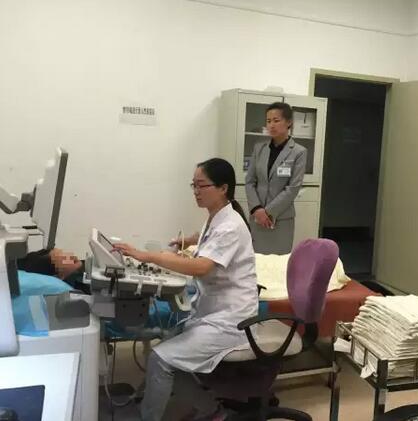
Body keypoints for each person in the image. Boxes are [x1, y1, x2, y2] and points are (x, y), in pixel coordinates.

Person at [114, 158, 257, 421]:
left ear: (223, 188)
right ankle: (211, 410)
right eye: (193, 185)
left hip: (232, 322)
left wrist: (149, 256)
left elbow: (201, 267)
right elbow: (205, 240)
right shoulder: (216, 218)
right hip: (213, 313)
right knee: (169, 346)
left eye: (202, 185)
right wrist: (188, 240)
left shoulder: (230, 225)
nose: (196, 191)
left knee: (160, 358)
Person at [245, 102, 307, 255]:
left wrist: (268, 212)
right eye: (268, 121)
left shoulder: (299, 152)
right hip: (257, 218)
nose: (271, 125)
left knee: (279, 263)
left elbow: (292, 189)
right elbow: (250, 181)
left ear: (289, 122)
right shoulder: (259, 148)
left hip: (281, 219)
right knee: (255, 260)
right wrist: (257, 209)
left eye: (276, 120)